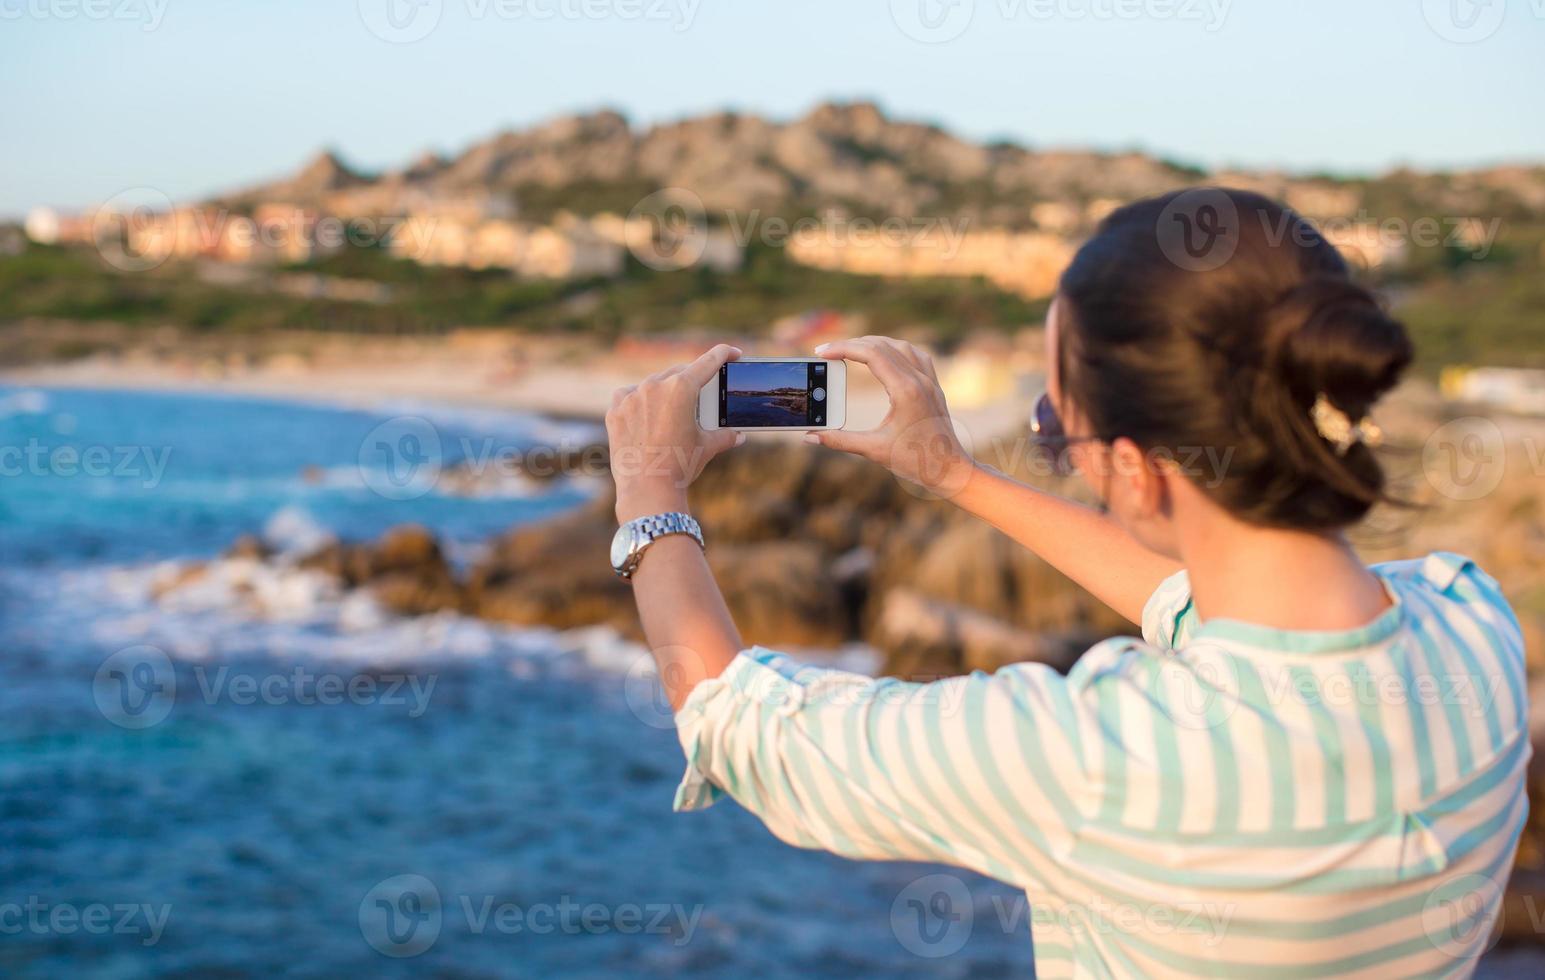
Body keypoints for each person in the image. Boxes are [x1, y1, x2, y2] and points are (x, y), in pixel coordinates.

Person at [603, 189, 1528, 977]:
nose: (1058, 449)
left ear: (1131, 467)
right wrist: (954, 475)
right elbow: (1202, 606)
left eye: (1056, 426)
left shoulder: (1101, 757)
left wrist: (650, 489)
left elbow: (740, 725)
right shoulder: (1470, 623)